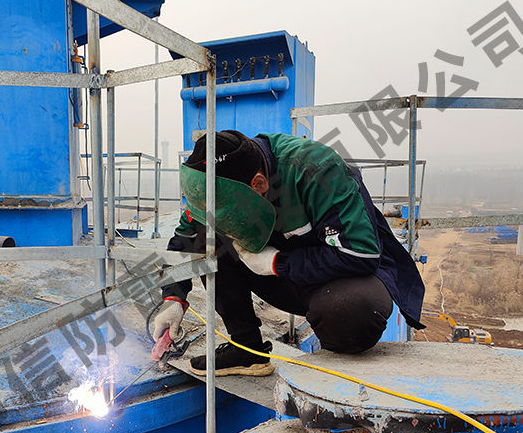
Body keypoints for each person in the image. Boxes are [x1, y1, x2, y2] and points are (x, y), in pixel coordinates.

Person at [153, 130, 425, 377]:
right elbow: (188, 237)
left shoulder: (319, 171)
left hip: (338, 278)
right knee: (207, 241)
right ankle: (247, 351)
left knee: (351, 313)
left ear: (258, 184)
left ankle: (333, 364)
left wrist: (277, 262)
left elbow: (360, 253)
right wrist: (173, 297)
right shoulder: (220, 184)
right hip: (285, 278)